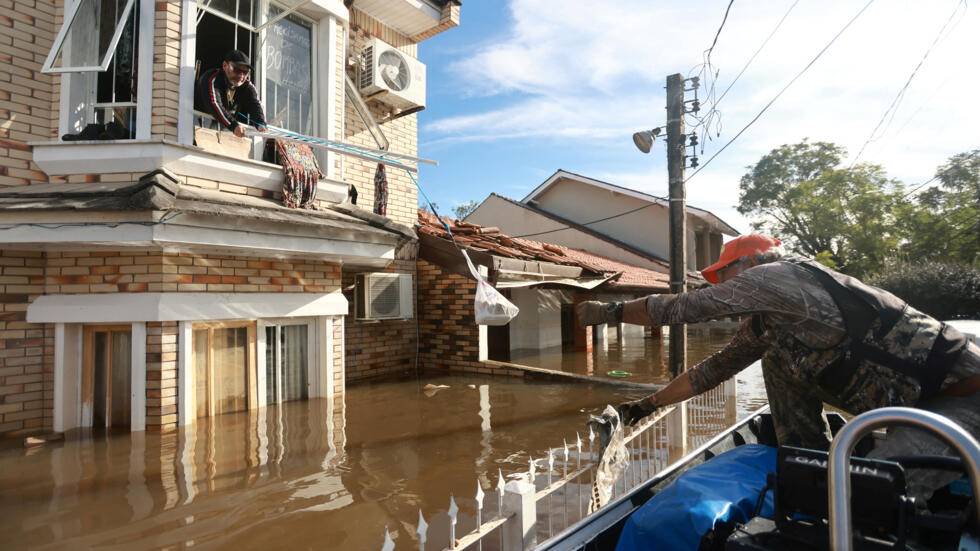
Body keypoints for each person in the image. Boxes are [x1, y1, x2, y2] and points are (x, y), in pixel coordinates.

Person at [576, 234, 980, 498]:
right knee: (776, 362)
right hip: (913, 412)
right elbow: (712, 370)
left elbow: (683, 307)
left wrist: (609, 311)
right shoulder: (769, 322)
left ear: (751, 263)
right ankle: (809, 464)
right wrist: (646, 407)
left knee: (869, 498)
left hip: (960, 405)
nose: (725, 288)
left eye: (726, 275)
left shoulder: (777, 276)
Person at [195, 49, 267, 138]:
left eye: (245, 72)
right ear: (225, 66)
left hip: (220, 133)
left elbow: (255, 105)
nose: (241, 76)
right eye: (236, 70)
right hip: (196, 127)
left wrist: (261, 124)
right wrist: (233, 125)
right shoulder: (212, 78)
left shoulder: (248, 87)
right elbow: (215, 104)